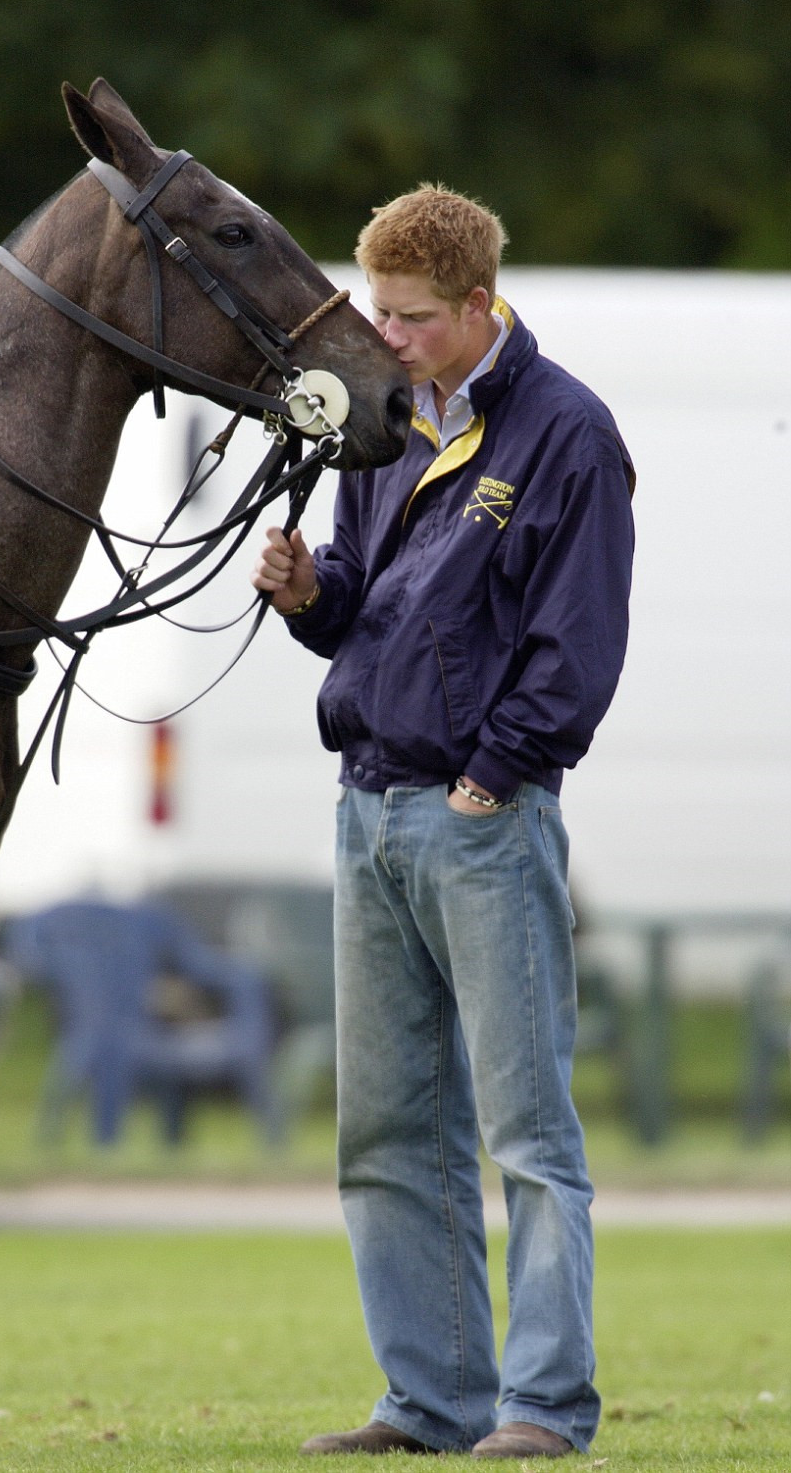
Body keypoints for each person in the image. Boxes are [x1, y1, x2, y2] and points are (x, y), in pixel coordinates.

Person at [251, 185, 634, 1460]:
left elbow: (575, 646)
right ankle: (426, 1404)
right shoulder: (393, 420)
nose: (389, 337)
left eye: (412, 318)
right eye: (377, 311)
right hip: (367, 808)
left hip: (483, 818)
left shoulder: (568, 432)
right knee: (385, 1135)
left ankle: (540, 1407)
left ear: (478, 304)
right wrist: (310, 594)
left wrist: (493, 777)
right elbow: (367, 603)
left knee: (527, 1134)